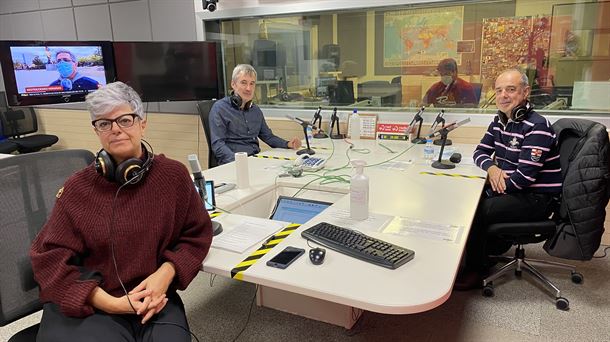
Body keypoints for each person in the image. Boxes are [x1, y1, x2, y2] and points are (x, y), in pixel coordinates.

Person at [30, 81, 212, 341]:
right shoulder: (77, 188)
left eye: (125, 120)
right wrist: (108, 302)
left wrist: (166, 272)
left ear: (142, 123)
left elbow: (197, 234)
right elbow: (48, 258)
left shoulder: (173, 176)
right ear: (97, 131)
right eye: (104, 123)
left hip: (153, 297)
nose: (115, 129)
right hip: (95, 302)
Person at [455, 69, 562, 290]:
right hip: (513, 189)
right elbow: (480, 152)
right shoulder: (500, 120)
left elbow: (522, 179)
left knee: (476, 210)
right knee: (470, 199)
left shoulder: (537, 126)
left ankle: (476, 270)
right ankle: (487, 252)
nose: (503, 95)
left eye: (511, 90)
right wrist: (492, 169)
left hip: (536, 198)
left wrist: (492, 188)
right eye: (499, 90)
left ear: (525, 92)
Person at [209, 64, 301, 165]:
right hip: (233, 164)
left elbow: (268, 137)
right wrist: (239, 162)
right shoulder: (220, 108)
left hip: (254, 160)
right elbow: (218, 145)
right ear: (233, 84)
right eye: (244, 83)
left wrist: (287, 144)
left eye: (252, 83)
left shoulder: (255, 110)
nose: (248, 88)